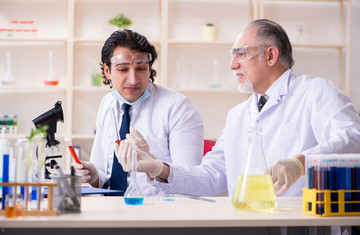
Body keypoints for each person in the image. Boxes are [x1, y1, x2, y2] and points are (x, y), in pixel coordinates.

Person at [117, 19, 360, 199]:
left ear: (271, 55)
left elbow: (352, 138)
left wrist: (300, 162)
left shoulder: (316, 92)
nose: (232, 65)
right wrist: (158, 168)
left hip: (307, 228)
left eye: (240, 55)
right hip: (250, 226)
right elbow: (212, 176)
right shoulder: (238, 116)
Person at [72, 29, 204, 196]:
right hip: (110, 212)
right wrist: (93, 175)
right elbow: (105, 175)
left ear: (149, 68)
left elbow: (192, 182)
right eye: (123, 69)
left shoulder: (179, 108)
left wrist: (155, 166)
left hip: (158, 215)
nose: (133, 79)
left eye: (141, 68)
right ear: (107, 71)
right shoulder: (107, 104)